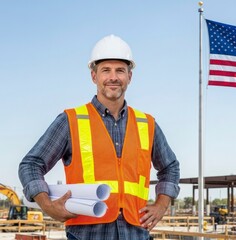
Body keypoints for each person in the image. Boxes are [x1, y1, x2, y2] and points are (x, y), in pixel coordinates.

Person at [18, 34, 180, 240]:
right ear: (94, 76)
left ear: (129, 77)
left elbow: (170, 167)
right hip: (86, 233)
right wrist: (47, 205)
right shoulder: (71, 121)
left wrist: (161, 205)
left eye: (120, 70)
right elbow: (31, 164)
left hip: (135, 232)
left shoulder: (146, 124)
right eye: (106, 70)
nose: (113, 77)